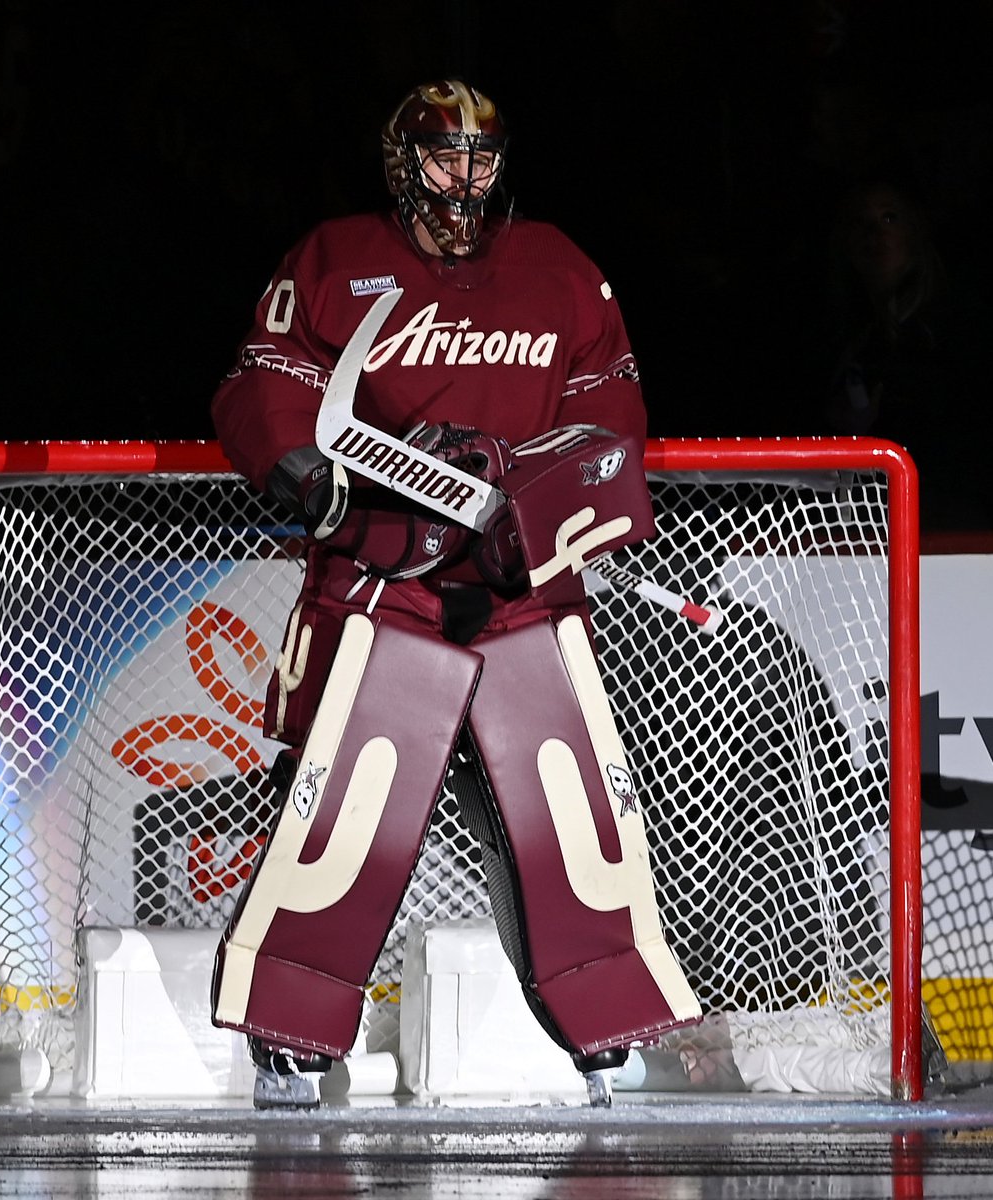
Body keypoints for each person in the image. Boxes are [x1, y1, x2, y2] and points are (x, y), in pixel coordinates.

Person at [209, 78, 701, 1109]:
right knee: (343, 813)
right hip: (380, 583)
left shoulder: (562, 270)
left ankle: (609, 1028)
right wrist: (293, 460)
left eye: (479, 158)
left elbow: (610, 417)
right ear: (402, 162)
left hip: (524, 592)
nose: (463, 179)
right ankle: (290, 1031)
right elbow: (267, 375)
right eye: (442, 157)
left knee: (563, 820)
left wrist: (550, 499)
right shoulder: (335, 259)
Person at [816, 179, 993, 529]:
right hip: (866, 517)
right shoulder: (843, 329)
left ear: (916, 232)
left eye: (889, 218)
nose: (874, 233)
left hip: (947, 518)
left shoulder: (953, 322)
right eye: (859, 223)